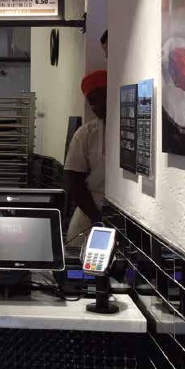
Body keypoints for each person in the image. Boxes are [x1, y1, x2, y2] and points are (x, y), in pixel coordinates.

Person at [64, 69, 107, 244]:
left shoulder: (134, 131)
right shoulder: (86, 134)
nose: (99, 105)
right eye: (92, 101)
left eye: (103, 97)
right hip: (90, 211)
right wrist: (96, 216)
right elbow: (74, 179)